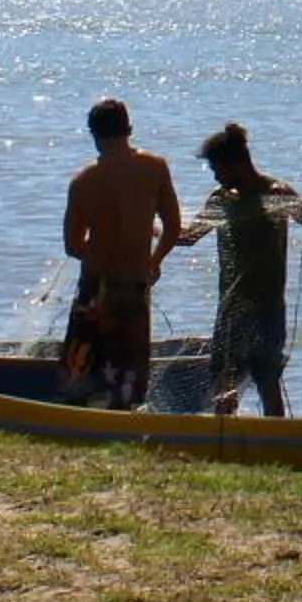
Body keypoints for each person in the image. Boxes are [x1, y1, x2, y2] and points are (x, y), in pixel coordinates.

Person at [175, 121, 302, 418]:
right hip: (231, 309)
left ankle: (275, 444)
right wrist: (155, 226)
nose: (216, 177)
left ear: (236, 164)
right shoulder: (222, 199)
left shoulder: (277, 194)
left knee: (267, 382)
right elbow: (188, 237)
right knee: (224, 383)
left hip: (268, 308)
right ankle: (225, 441)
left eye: (217, 170)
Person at [61, 97, 184, 409]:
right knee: (130, 367)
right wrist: (154, 262)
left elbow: (72, 246)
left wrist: (100, 251)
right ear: (128, 128)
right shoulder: (155, 168)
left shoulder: (82, 181)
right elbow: (173, 226)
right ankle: (125, 418)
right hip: (134, 283)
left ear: (93, 133)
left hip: (96, 286)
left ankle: (80, 418)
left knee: (83, 365)